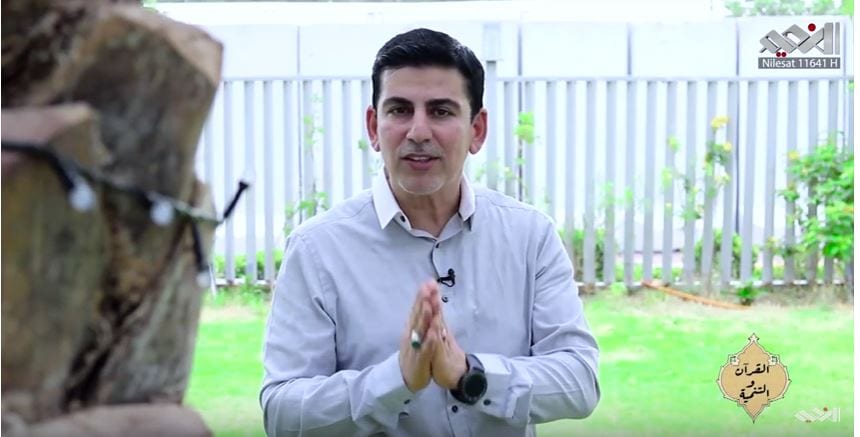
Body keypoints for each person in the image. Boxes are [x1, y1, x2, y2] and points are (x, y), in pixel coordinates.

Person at [260, 28, 600, 437]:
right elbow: (282, 412)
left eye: (440, 111)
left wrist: (470, 375)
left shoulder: (530, 236)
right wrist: (397, 380)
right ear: (374, 126)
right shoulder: (317, 249)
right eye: (400, 110)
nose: (418, 132)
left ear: (477, 129)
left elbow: (579, 380)